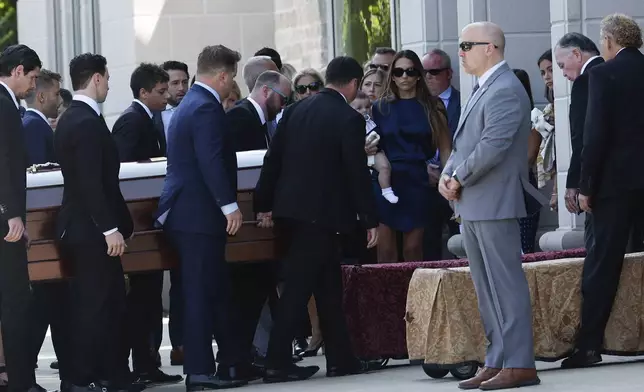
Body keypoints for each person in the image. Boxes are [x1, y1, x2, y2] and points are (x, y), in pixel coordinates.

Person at [254, 56, 379, 383]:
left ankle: (341, 358)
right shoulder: (348, 118)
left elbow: (273, 160)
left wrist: (263, 203)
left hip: (291, 213)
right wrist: (368, 218)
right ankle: (277, 361)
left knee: (327, 288)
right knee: (298, 289)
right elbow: (356, 173)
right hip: (323, 216)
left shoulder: (294, 111)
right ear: (353, 84)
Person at [438, 22, 546, 389]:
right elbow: (463, 143)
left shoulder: (504, 88)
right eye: (461, 44)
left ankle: (519, 362)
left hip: (494, 200)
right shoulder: (484, 86)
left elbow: (493, 145)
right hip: (474, 201)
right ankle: (498, 357)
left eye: (468, 44)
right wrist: (447, 173)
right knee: (486, 287)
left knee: (505, 284)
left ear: (492, 48)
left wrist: (458, 177)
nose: (462, 51)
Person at [154, 45, 252, 390]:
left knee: (214, 289)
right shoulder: (205, 108)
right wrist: (230, 205)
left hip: (189, 214)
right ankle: (198, 371)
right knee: (198, 292)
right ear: (222, 75)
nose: (231, 86)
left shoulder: (189, 104)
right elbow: (211, 160)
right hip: (197, 215)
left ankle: (232, 362)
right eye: (232, 78)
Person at [566, 13, 644, 369]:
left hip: (614, 186)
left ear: (610, 42)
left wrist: (586, 186)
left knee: (602, 264)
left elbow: (594, 136)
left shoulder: (602, 74)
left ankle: (589, 345)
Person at [54, 53, 134, 392]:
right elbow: (90, 182)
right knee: (95, 306)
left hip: (87, 229)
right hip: (91, 231)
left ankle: (111, 375)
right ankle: (79, 378)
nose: (109, 85)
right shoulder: (84, 121)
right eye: (107, 78)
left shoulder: (73, 117)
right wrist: (109, 229)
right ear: (97, 79)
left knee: (110, 303)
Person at [111, 63, 182, 386]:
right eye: (161, 91)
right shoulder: (131, 121)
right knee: (140, 301)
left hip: (149, 226)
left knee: (150, 299)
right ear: (143, 92)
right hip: (137, 226)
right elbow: (122, 173)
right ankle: (136, 363)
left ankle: (147, 362)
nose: (166, 98)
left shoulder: (148, 120)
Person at [0, 43, 42, 392]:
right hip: (4, 222)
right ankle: (21, 383)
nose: (33, 85)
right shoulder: (2, 104)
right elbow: (3, 164)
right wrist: (12, 214)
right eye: (32, 77)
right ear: (17, 71)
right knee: (14, 302)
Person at [350, 91, 397, 203]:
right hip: (359, 157)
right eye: (359, 108)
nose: (365, 110)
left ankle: (386, 190)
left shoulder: (372, 122)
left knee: (385, 167)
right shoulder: (349, 125)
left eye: (367, 106)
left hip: (376, 152)